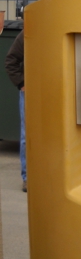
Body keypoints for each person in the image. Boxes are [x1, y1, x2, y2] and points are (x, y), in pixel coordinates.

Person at [5, 30, 27, 192]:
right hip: (30, 93)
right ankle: (27, 178)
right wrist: (21, 83)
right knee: (27, 136)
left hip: (53, 91)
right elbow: (10, 60)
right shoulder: (27, 34)